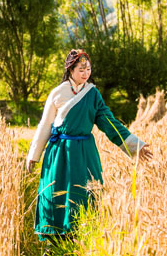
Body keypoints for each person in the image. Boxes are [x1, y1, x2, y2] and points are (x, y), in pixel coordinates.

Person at [25, 48, 153, 242]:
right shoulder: (57, 93)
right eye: (81, 70)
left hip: (84, 152)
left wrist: (135, 145)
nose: (85, 74)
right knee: (55, 194)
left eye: (88, 69)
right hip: (60, 153)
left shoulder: (92, 94)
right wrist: (34, 155)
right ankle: (53, 243)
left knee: (84, 193)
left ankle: (81, 237)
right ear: (70, 70)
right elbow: (45, 125)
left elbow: (109, 123)